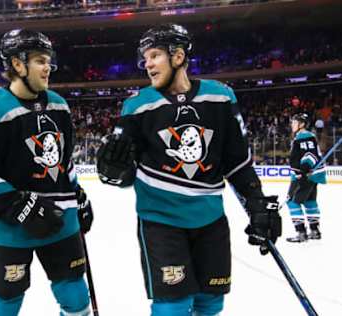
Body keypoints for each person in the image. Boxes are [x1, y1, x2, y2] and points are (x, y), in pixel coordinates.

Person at [96, 24, 282, 316]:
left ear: (179, 56)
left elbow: (238, 161)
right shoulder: (137, 105)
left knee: (210, 304)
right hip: (161, 222)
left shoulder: (221, 97)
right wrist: (113, 171)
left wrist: (257, 202)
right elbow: (123, 172)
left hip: (210, 220)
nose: (147, 64)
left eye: (155, 55)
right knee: (172, 308)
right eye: (145, 58)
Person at [0, 28, 94, 316]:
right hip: (10, 230)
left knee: (76, 296)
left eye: (49, 60)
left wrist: (78, 195)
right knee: (5, 303)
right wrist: (23, 207)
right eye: (40, 61)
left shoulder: (59, 105)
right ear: (18, 64)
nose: (49, 68)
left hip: (61, 222)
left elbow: (63, 163)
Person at [286, 113, 326, 242]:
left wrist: (302, 171)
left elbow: (309, 155)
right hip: (312, 175)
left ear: (301, 124)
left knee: (292, 202)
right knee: (310, 201)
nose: (292, 124)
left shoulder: (304, 137)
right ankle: (315, 231)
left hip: (303, 175)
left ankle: (301, 233)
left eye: (294, 122)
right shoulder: (308, 136)